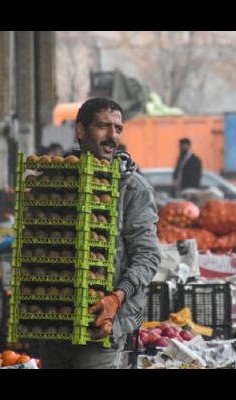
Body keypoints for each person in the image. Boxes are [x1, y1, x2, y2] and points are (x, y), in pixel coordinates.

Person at [38, 97, 161, 369]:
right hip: (55, 324)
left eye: (117, 128)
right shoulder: (58, 179)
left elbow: (148, 256)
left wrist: (117, 297)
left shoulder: (132, 188)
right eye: (103, 126)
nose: (112, 136)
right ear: (81, 131)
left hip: (103, 326)